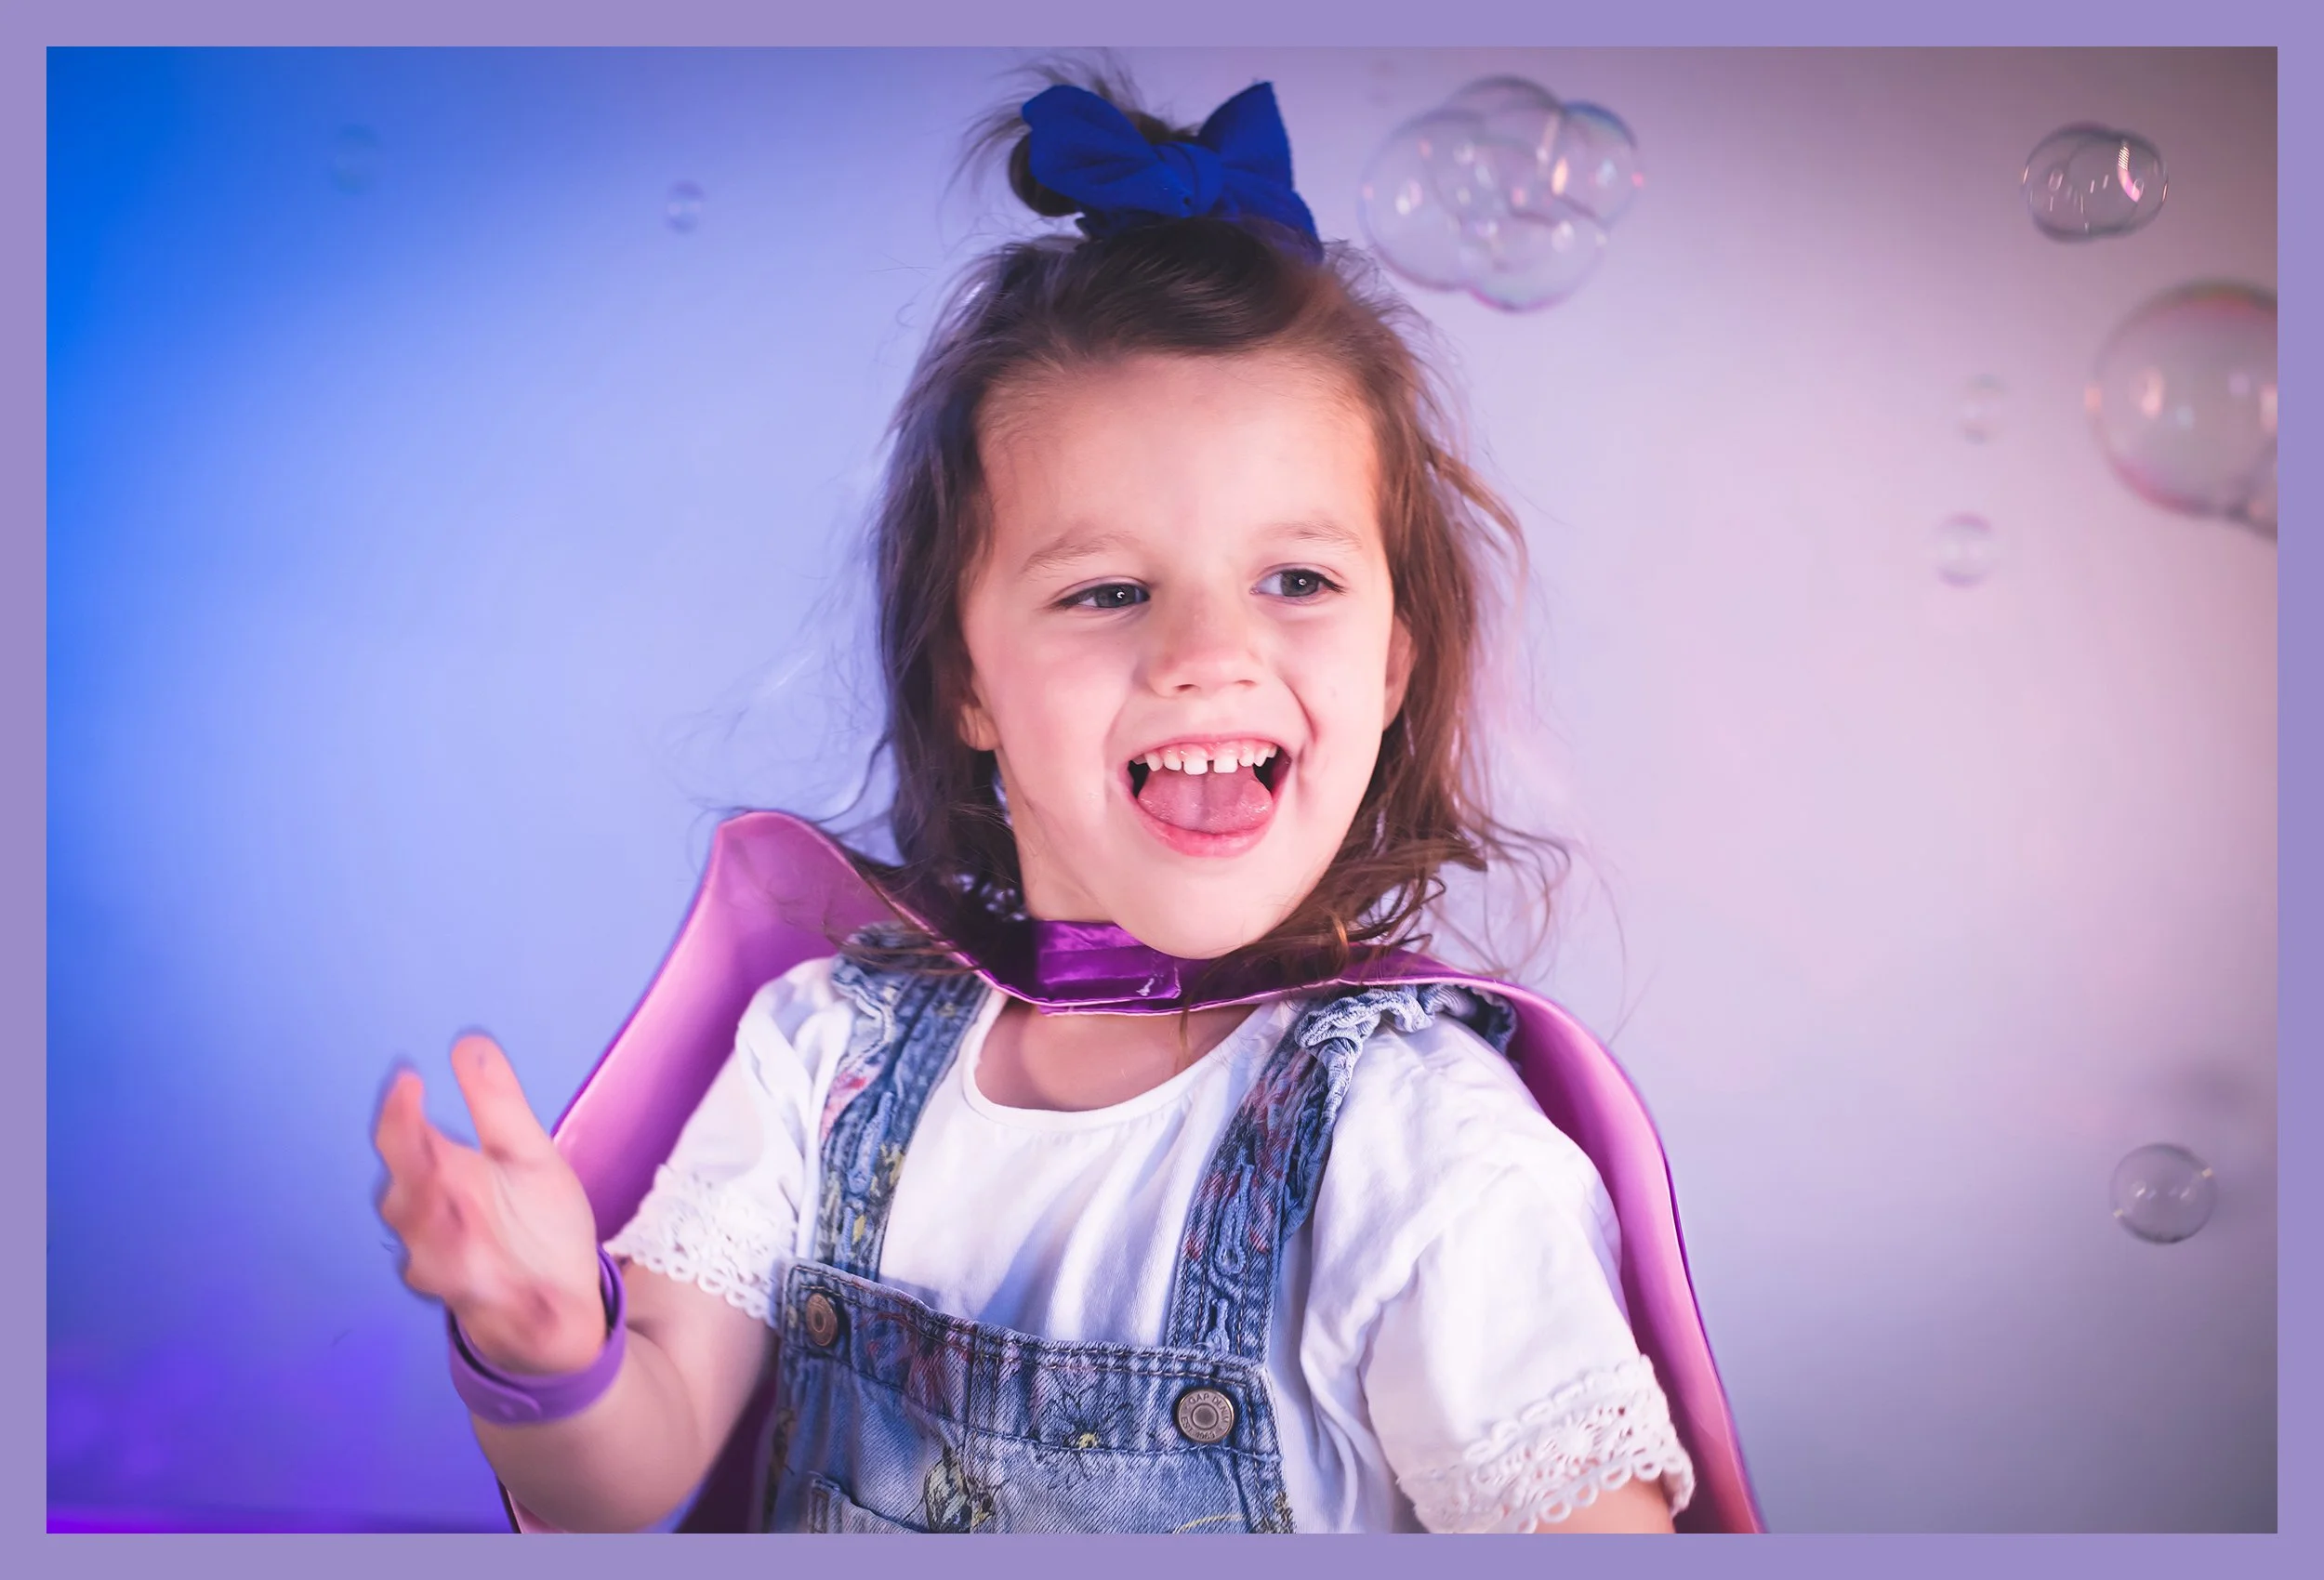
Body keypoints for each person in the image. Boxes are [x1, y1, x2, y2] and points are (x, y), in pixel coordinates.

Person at [374, 68, 1713, 1534]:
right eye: (1108, 589)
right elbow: (616, 1488)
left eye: (1298, 580)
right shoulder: (821, 1060)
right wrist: (546, 1344)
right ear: (967, 681)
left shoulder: (1425, 1154)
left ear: (1394, 665)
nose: (1208, 654)